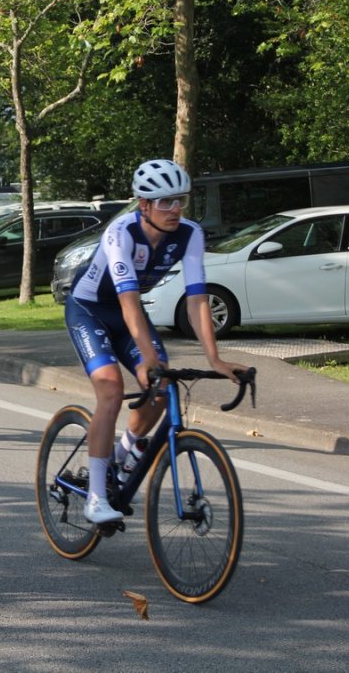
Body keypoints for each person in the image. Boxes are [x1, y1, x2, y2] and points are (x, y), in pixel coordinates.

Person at [64, 159, 248, 524]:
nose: (175, 209)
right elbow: (129, 300)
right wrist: (147, 357)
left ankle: (123, 454)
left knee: (162, 388)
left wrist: (215, 359)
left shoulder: (189, 233)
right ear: (144, 204)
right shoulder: (121, 232)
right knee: (111, 390)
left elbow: (197, 299)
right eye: (165, 202)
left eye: (180, 200)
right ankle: (96, 497)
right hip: (91, 310)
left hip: (129, 314)